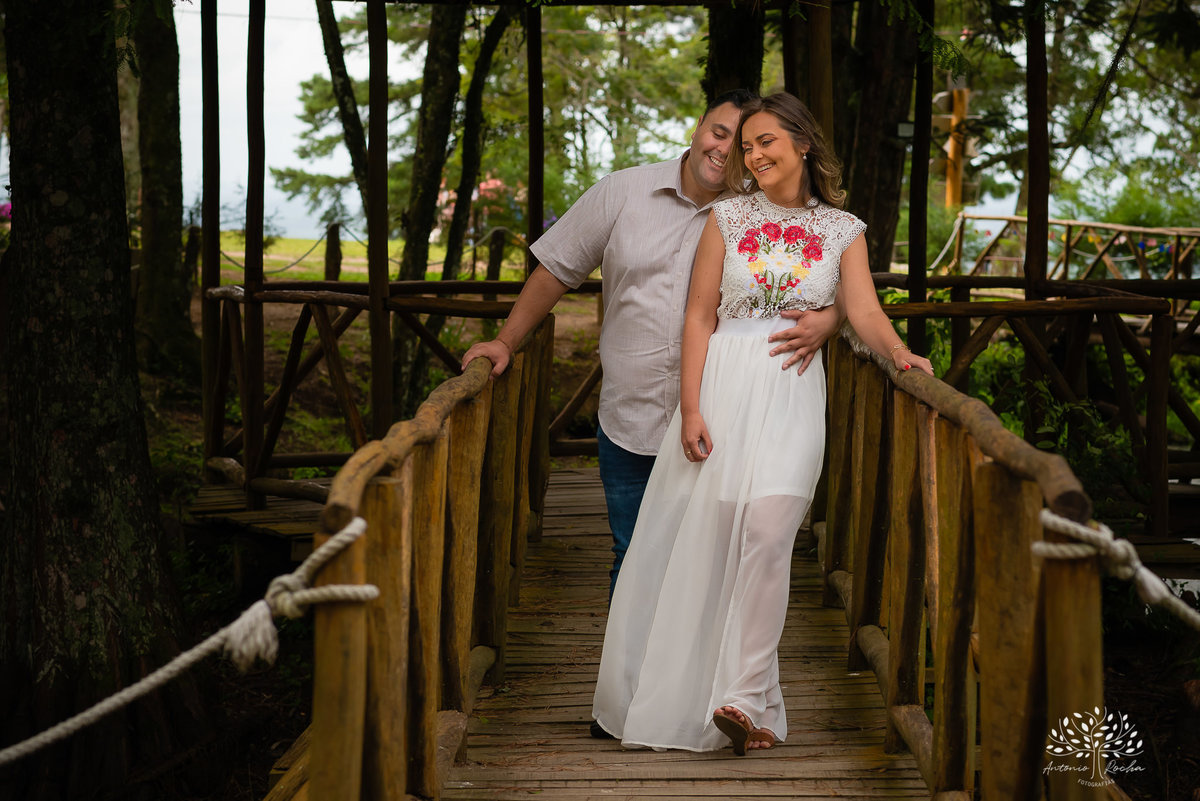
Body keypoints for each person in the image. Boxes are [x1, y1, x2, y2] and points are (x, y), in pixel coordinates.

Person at [590, 92, 933, 756]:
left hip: (795, 395)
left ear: (803, 144)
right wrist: (691, 407)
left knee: (770, 534)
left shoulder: (844, 229)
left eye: (767, 141)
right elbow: (698, 315)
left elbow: (861, 308)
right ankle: (759, 709)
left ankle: (743, 695)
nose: (753, 155)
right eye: (747, 146)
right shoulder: (725, 217)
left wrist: (896, 353)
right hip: (725, 388)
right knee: (727, 543)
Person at [461, 91, 843, 604]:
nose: (726, 150)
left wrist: (832, 318)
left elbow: (827, 273)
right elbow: (556, 269)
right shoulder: (623, 191)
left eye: (743, 142)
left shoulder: (762, 208)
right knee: (634, 554)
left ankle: (696, 681)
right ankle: (635, 681)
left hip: (724, 419)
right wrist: (506, 341)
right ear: (697, 126)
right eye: (719, 132)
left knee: (714, 560)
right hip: (632, 419)